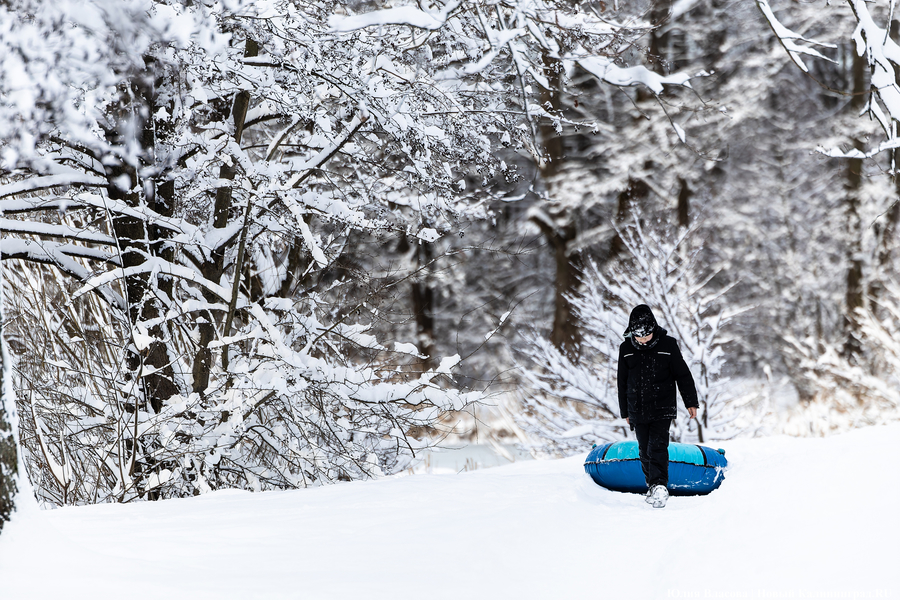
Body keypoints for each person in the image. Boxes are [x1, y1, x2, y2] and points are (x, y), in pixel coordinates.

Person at [617, 304, 699, 508]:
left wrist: (691, 401)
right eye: (639, 336)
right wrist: (624, 412)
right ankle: (652, 485)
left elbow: (683, 374)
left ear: (653, 328)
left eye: (647, 335)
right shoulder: (625, 349)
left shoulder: (668, 345)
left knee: (658, 446)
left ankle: (660, 485)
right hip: (637, 409)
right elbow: (622, 382)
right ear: (632, 332)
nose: (644, 340)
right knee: (644, 450)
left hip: (662, 407)